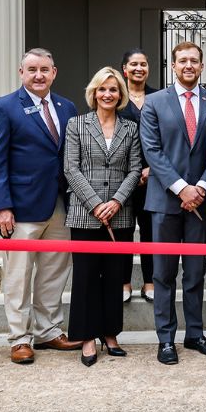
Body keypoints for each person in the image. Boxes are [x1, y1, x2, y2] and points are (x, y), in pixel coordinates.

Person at [0, 48, 81, 364]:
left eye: (45, 69)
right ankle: (19, 338)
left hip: (60, 205)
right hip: (20, 208)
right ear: (21, 72)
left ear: (54, 72)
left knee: (54, 273)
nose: (39, 75)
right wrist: (0, 206)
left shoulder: (67, 107)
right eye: (32, 69)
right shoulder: (3, 107)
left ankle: (49, 331)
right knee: (18, 276)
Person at [138, 41, 206, 365]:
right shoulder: (154, 102)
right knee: (163, 273)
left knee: (195, 272)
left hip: (201, 202)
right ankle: (165, 338)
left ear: (202, 66)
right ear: (173, 65)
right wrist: (180, 188)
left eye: (194, 61)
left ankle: (195, 333)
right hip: (164, 201)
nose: (188, 65)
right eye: (182, 60)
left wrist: (200, 187)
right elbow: (152, 150)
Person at [64, 67, 142, 366]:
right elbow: (71, 168)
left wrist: (117, 201)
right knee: (85, 277)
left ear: (120, 95)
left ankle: (110, 333)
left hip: (120, 215)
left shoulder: (130, 128)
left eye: (113, 90)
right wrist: (97, 204)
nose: (108, 94)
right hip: (85, 213)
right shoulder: (77, 124)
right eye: (102, 89)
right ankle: (86, 337)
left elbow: (135, 168)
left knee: (114, 277)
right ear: (93, 93)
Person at [120, 48, 158, 304]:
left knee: (150, 231)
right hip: (120, 178)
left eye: (143, 64)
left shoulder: (160, 97)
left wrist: (152, 169)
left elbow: (168, 138)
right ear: (125, 69)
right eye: (134, 64)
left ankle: (150, 281)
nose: (139, 69)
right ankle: (123, 281)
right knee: (123, 230)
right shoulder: (115, 96)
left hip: (153, 177)